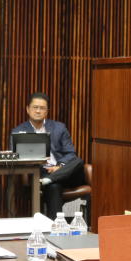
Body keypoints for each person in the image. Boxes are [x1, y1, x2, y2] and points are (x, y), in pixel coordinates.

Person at [11, 92, 86, 220]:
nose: (38, 111)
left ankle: (51, 179)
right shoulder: (18, 132)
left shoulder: (59, 128)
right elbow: (16, 157)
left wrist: (59, 167)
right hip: (42, 173)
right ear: (28, 109)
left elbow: (70, 153)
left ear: (47, 111)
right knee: (54, 186)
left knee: (78, 161)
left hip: (66, 173)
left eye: (42, 108)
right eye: (35, 107)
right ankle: (55, 226)